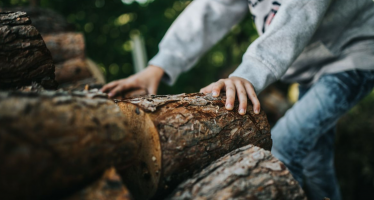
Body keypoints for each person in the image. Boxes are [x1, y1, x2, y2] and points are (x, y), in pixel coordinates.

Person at [101, 0, 374, 199]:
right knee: (315, 159)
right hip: (314, 67)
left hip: (353, 58)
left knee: (284, 148)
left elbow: (301, 12)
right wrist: (159, 65)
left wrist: (248, 74)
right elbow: (209, 10)